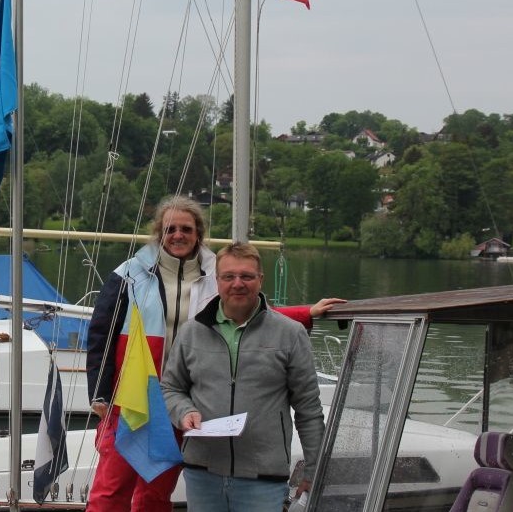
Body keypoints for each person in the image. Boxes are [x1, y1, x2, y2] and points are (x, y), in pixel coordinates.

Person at [84, 195, 342, 512]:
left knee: (154, 495)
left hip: (184, 399)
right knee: (110, 492)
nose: (178, 235)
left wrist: (306, 312)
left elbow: (251, 312)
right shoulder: (129, 274)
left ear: (198, 233)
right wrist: (99, 392)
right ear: (158, 233)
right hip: (134, 396)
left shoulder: (215, 273)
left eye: (186, 229)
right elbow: (101, 334)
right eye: (170, 229)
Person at [161, 242, 325, 511]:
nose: (238, 283)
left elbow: (308, 409)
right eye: (229, 276)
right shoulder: (191, 332)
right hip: (202, 472)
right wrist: (183, 411)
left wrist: (314, 471)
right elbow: (171, 388)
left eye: (246, 276)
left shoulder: (290, 333)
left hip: (263, 478)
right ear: (218, 281)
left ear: (260, 280)